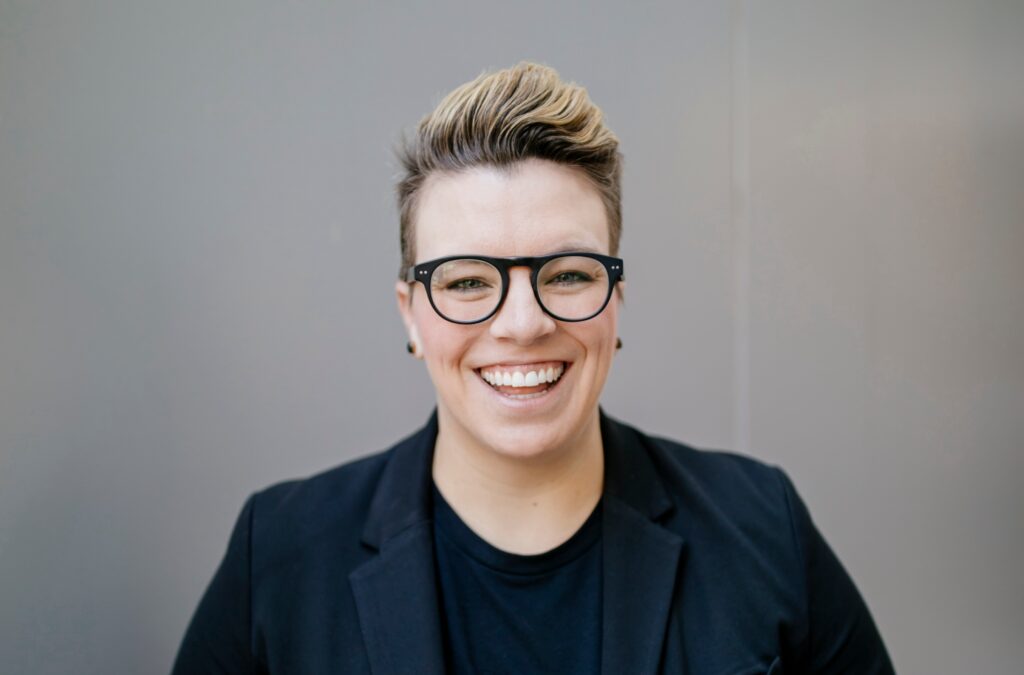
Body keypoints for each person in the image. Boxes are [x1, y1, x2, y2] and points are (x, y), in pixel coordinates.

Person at [172, 62, 895, 674]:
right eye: (466, 282)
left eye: (570, 274)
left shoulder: (762, 528)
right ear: (410, 315)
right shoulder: (280, 554)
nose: (523, 323)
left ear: (616, 298)